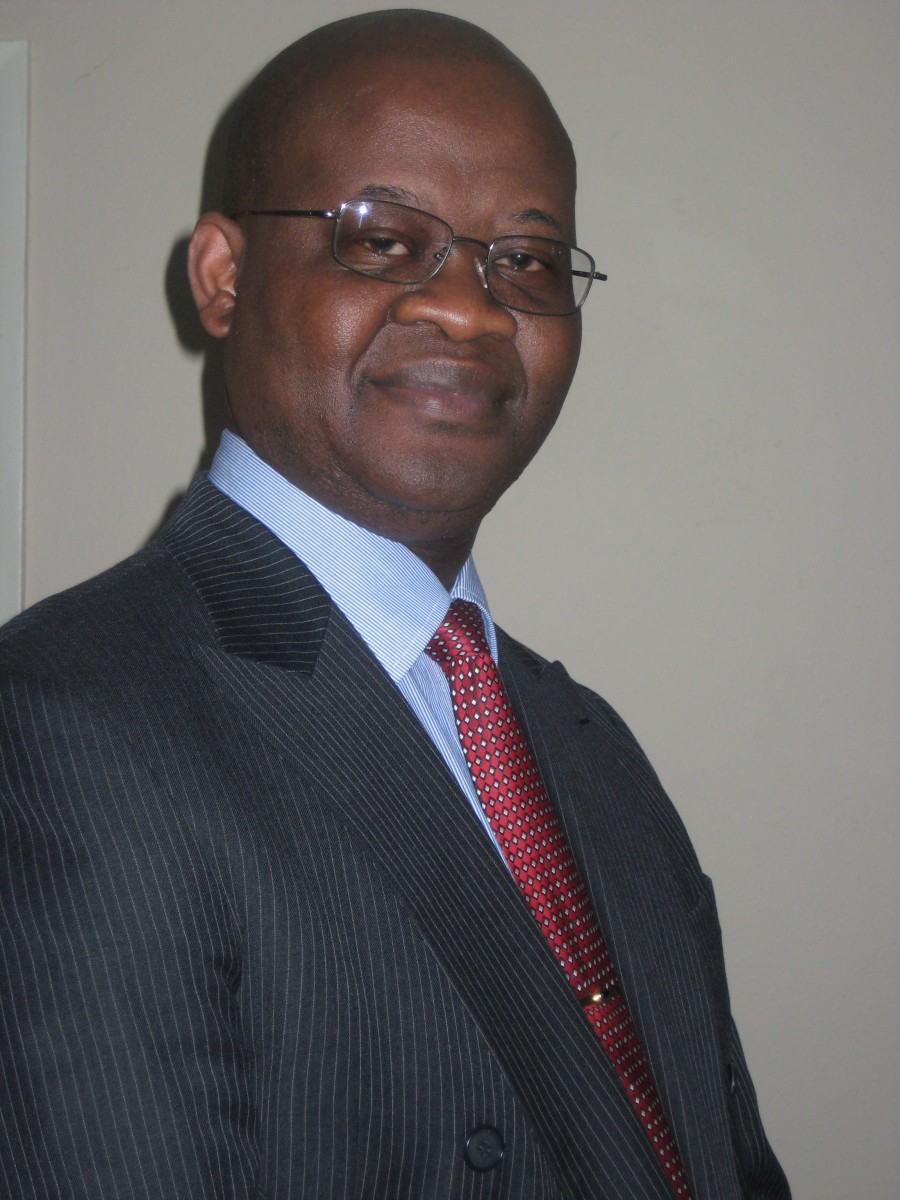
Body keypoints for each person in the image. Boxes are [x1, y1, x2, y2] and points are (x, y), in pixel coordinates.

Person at [0, 10, 790, 1199]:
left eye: (525, 262)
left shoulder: (594, 748)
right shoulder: (57, 724)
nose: (472, 310)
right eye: (381, 239)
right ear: (222, 276)